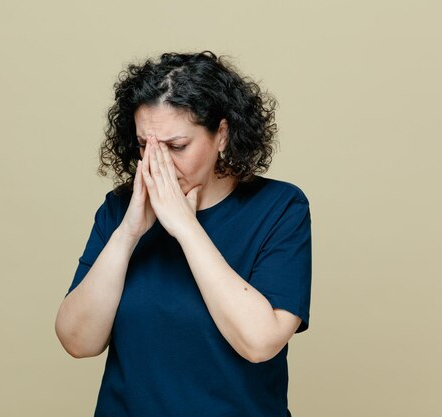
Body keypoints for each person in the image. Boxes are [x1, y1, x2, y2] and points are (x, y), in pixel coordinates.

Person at [55, 51, 312, 417]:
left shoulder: (280, 207)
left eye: (177, 147)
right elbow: (78, 342)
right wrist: (129, 232)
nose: (157, 163)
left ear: (221, 135)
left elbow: (260, 342)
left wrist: (186, 228)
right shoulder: (119, 209)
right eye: (145, 145)